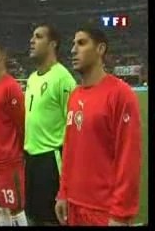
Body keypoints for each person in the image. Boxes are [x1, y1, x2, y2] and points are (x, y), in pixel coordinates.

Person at [55, 27, 142, 226]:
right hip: (74, 207)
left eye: (82, 43)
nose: (73, 50)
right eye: (73, 44)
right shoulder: (75, 95)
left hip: (104, 210)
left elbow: (128, 158)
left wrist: (120, 214)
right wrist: (63, 192)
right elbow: (70, 149)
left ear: (100, 49)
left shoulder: (121, 94)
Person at [24, 24, 77, 225]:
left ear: (52, 44)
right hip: (31, 159)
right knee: (33, 216)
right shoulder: (31, 79)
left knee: (52, 219)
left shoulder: (62, 78)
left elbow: (73, 128)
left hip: (51, 160)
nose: (31, 40)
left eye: (38, 37)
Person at [0, 43, 27, 226]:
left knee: (15, 208)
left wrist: (16, 153)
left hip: (9, 163)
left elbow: (22, 124)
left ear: (2, 58)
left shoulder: (11, 87)